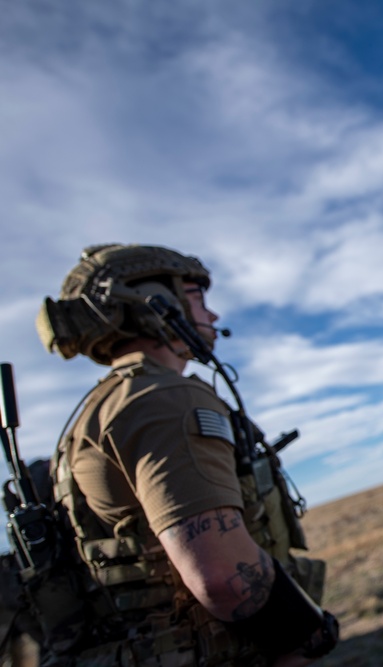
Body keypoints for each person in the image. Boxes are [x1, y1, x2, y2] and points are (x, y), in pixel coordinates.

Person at [28, 243, 338, 666]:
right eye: (197, 297)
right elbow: (225, 577)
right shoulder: (164, 397)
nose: (213, 315)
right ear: (157, 302)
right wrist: (306, 637)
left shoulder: (98, 410)